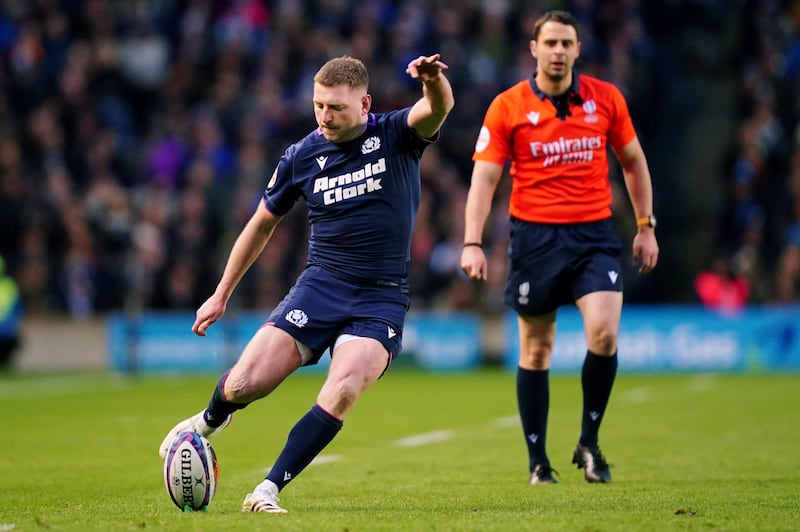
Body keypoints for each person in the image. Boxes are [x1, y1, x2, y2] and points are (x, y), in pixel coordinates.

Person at [158, 54, 454, 513]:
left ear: (364, 104)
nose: (325, 116)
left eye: (336, 107)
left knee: (344, 387)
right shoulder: (301, 155)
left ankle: (267, 489)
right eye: (319, 106)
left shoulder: (396, 134)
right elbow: (261, 224)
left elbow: (437, 108)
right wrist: (221, 293)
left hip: (380, 297)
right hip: (320, 288)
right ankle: (208, 421)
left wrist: (432, 81)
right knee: (245, 383)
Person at [460, 10, 659, 485]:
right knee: (536, 350)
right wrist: (472, 241)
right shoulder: (507, 106)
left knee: (604, 334)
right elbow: (484, 179)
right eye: (550, 43)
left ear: (577, 50)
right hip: (534, 238)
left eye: (566, 43)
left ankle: (589, 442)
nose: (558, 51)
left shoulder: (606, 98)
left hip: (593, 235)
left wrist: (645, 225)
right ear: (534, 49)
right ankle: (538, 462)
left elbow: (633, 161)